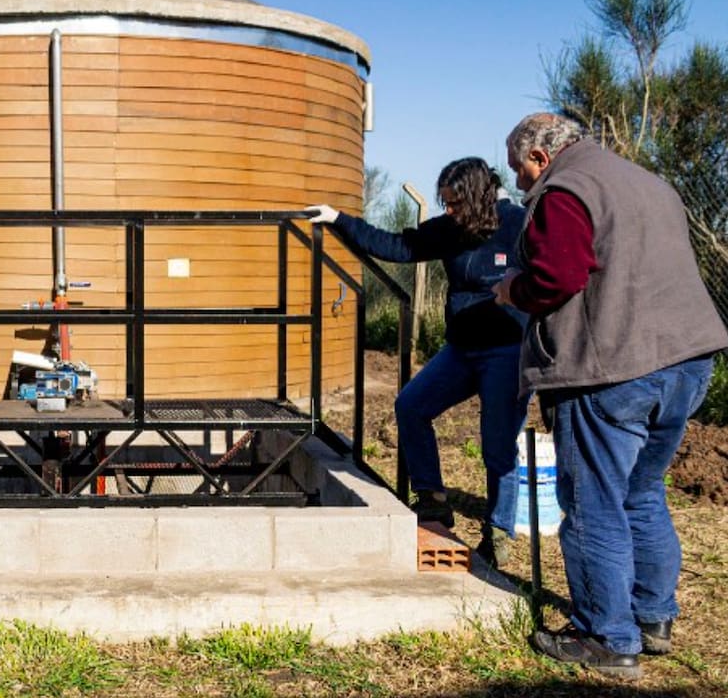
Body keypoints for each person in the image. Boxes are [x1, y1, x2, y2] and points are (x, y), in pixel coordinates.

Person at [493, 112, 728, 680]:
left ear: (540, 158)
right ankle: (653, 616)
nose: (519, 183)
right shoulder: (649, 182)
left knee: (592, 501)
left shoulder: (565, 191)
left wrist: (511, 290)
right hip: (688, 360)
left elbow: (558, 277)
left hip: (613, 368)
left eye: (519, 170)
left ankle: (605, 636)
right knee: (642, 491)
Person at [307, 157, 529, 567]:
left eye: (455, 203)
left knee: (497, 445)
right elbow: (398, 246)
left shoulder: (518, 223)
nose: (450, 211)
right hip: (462, 348)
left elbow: (551, 276)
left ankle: (498, 534)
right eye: (445, 204)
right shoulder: (450, 229)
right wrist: (338, 219)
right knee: (411, 405)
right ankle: (433, 499)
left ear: (477, 197)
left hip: (507, 349)